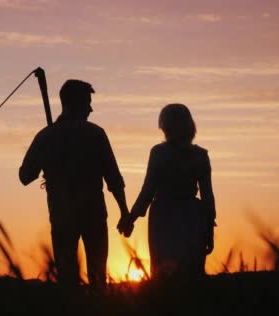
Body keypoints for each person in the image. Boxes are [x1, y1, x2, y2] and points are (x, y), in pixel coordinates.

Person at [19, 79, 132, 289]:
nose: (91, 108)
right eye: (87, 102)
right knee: (98, 279)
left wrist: (47, 163)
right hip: (94, 215)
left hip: (62, 216)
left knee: (67, 281)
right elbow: (113, 178)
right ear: (75, 104)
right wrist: (124, 212)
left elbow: (25, 176)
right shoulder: (96, 134)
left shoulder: (46, 136)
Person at [127, 103, 216, 280]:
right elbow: (208, 197)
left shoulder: (158, 153)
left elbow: (148, 190)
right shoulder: (200, 155)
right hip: (192, 216)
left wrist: (130, 218)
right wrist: (209, 228)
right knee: (191, 271)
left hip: (164, 217)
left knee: (164, 272)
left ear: (165, 126)